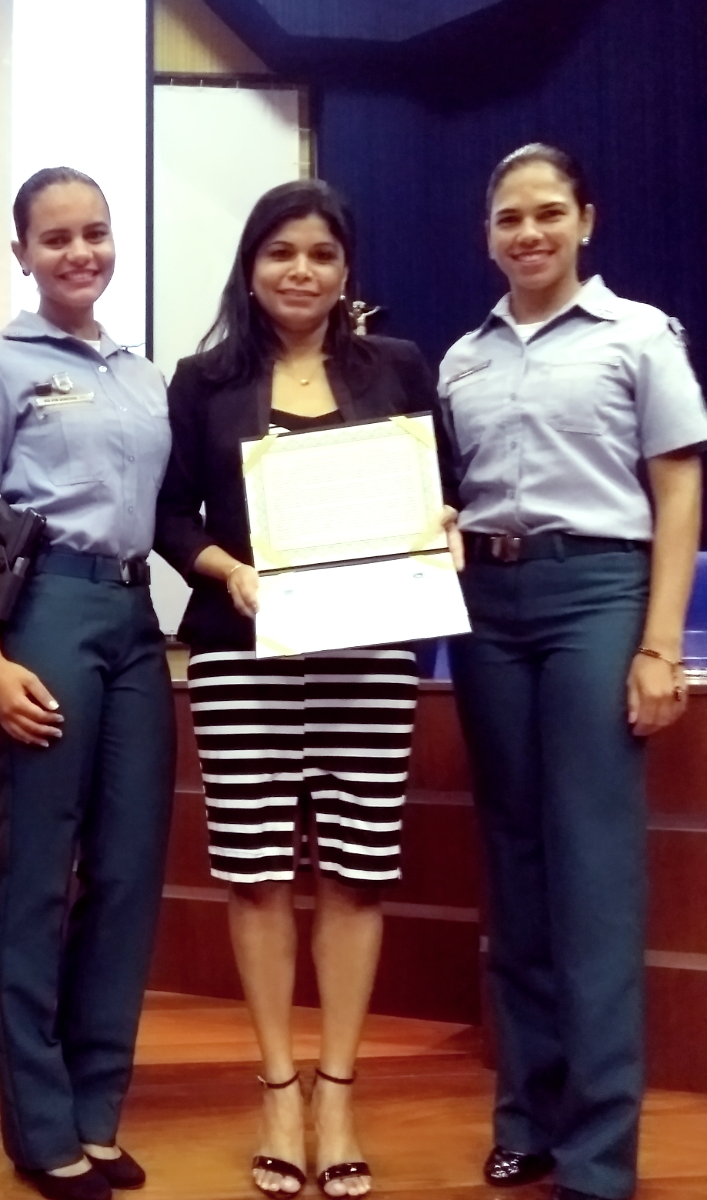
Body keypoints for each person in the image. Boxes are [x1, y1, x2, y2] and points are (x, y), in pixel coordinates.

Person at [155, 179, 446, 1199]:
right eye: (281, 251)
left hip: (370, 652)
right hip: (244, 652)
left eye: (321, 253)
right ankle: (279, 1088)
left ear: (346, 269)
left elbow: (440, 492)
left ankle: (339, 1092)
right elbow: (170, 515)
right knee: (258, 872)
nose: (301, 270)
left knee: (358, 874)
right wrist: (225, 570)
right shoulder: (202, 380)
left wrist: (441, 528)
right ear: (250, 266)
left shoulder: (399, 368)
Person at [439, 144, 707, 1200]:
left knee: (593, 876)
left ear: (585, 220)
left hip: (597, 595)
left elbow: (677, 495)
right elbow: (446, 496)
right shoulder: (462, 359)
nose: (529, 233)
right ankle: (528, 1118)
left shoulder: (640, 336)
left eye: (548, 212)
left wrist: (659, 645)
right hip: (488, 609)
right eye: (509, 218)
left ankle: (599, 1153)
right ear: (488, 234)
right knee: (514, 871)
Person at [0, 167, 174, 1200]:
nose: (81, 252)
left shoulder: (143, 374)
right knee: (38, 874)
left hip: (135, 618)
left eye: (96, 233)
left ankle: (94, 1110)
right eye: (57, 237)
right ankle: (40, 1128)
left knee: (127, 873)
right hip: (46, 614)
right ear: (22, 253)